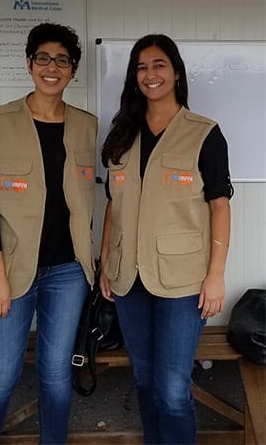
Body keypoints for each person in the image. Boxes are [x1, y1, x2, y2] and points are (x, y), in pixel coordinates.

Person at [0, 22, 97, 445]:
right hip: (9, 269)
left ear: (73, 70)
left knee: (56, 374)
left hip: (68, 272)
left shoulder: (87, 126)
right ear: (29, 64)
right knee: (1, 376)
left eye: (62, 60)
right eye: (43, 58)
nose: (51, 68)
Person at [100, 34, 233, 445]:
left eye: (159, 65)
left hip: (183, 282)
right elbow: (112, 205)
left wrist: (216, 276)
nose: (150, 74)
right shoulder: (122, 132)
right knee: (144, 380)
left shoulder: (203, 133)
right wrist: (105, 262)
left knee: (173, 388)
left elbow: (219, 206)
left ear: (175, 73)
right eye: (141, 67)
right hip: (129, 281)